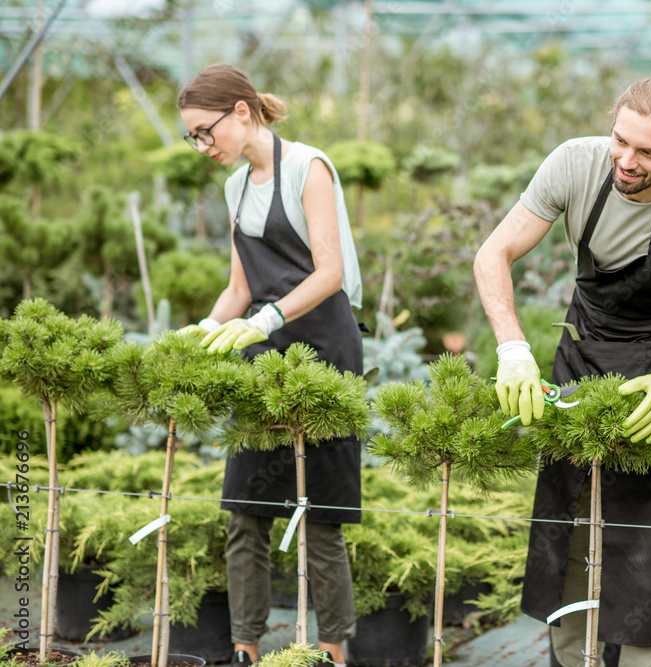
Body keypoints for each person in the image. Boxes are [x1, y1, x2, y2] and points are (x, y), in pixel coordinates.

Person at [474, 76, 651, 666]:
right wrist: (512, 350)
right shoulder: (574, 166)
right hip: (583, 355)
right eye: (620, 141)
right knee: (568, 524)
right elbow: (492, 253)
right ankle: (571, 658)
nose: (627, 161)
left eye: (648, 152)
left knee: (647, 540)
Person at [177, 63, 364, 667]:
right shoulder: (236, 187)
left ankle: (332, 653)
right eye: (193, 138)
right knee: (244, 511)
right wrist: (208, 327)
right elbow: (239, 287)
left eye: (206, 132)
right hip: (263, 357)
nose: (203, 146)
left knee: (322, 516)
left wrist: (264, 320)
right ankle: (245, 651)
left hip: (323, 351)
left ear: (240, 111)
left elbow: (330, 272)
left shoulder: (309, 167)